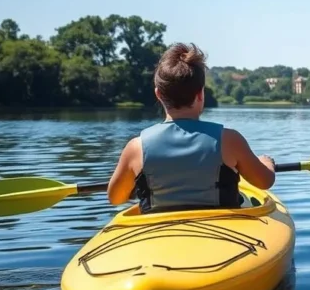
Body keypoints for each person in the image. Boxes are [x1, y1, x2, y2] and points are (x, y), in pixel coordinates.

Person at [107, 43, 277, 213]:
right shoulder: (230, 140)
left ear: (158, 94)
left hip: (160, 234)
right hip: (221, 231)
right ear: (200, 94)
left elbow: (115, 198)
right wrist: (266, 163)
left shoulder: (136, 148)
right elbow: (265, 181)